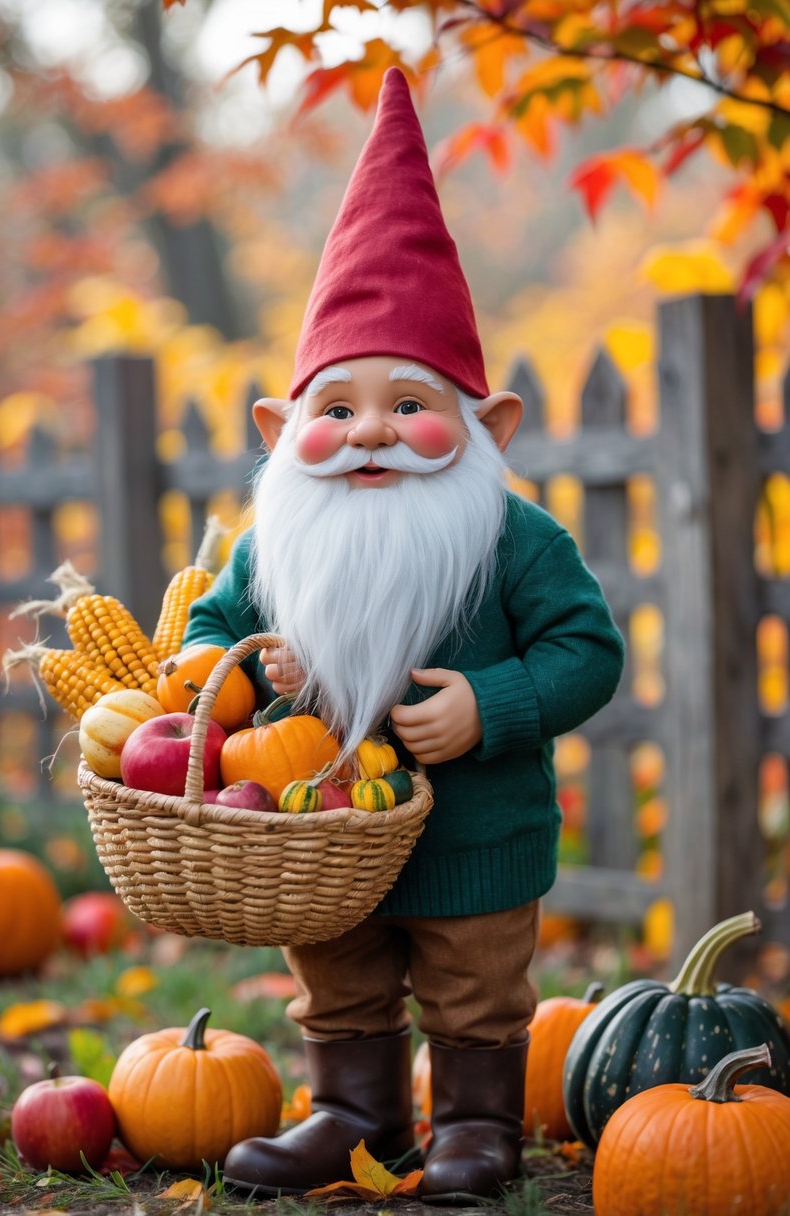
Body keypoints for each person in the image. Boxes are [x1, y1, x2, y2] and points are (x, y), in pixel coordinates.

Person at [183, 68, 624, 1204]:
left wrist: (494, 706)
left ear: (488, 426)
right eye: (337, 409)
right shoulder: (272, 541)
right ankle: (351, 1111)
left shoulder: (514, 537)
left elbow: (589, 653)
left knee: (475, 983)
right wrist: (234, 677)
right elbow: (209, 635)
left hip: (476, 832)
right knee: (337, 976)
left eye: (408, 402)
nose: (371, 429)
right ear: (282, 432)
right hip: (317, 830)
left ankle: (477, 1121)